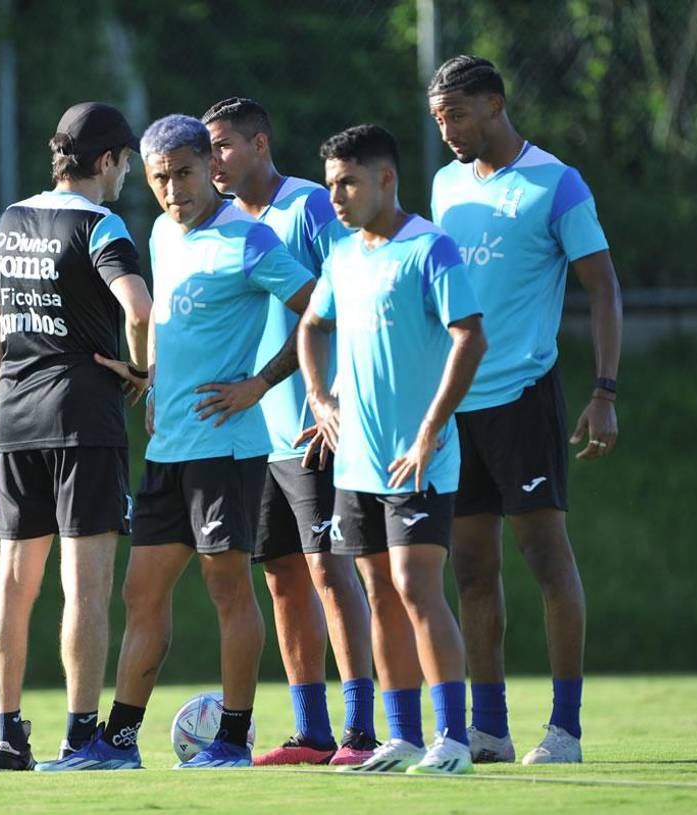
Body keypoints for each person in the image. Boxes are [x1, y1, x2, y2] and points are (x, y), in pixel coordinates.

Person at [37, 114, 316, 771]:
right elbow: (165, 324)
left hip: (228, 450)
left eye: (184, 174)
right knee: (141, 593)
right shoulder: (161, 232)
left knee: (228, 590)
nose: (172, 190)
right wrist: (152, 382)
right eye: (159, 178)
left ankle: (232, 739)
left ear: (209, 169)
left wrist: (260, 383)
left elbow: (321, 309)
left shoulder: (250, 239)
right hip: (168, 451)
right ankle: (119, 744)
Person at [427, 55, 623, 765]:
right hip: (459, 408)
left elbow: (602, 287)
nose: (447, 129)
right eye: (438, 118)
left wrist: (604, 392)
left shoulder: (556, 183)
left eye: (457, 114)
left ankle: (564, 729)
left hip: (525, 400)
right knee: (472, 567)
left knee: (546, 558)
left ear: (496, 104)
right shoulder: (446, 186)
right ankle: (490, 729)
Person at [299, 125, 486, 775]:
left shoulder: (429, 247)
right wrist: (320, 399)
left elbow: (470, 337)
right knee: (378, 590)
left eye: (347, 182)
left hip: (420, 458)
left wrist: (433, 426)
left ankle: (452, 739)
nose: (337, 197)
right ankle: (402, 737)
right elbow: (312, 326)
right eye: (329, 185)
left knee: (414, 585)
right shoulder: (343, 256)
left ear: (386, 179)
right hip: (356, 463)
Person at [201, 96, 377, 766]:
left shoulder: (305, 207)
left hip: (315, 425)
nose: (213, 159)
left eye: (222, 145)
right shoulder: (217, 222)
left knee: (332, 571)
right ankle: (312, 730)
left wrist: (339, 399)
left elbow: (346, 297)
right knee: (281, 576)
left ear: (260, 144)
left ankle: (361, 731)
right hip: (255, 437)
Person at [0, 102, 152, 771]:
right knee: (85, 585)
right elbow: (139, 307)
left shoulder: (5, 222)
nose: (127, 177)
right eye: (126, 164)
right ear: (106, 160)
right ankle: (83, 737)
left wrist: (8, 406)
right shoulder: (100, 224)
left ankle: (6, 732)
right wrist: (140, 369)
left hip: (15, 422)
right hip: (83, 419)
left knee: (13, 581)